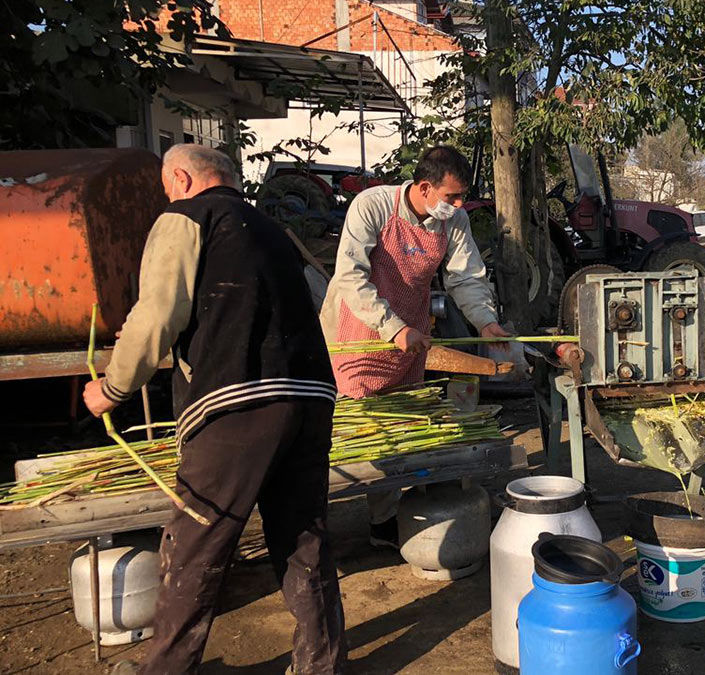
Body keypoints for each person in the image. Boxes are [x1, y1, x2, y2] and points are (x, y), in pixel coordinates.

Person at [83, 144, 347, 674]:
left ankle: (166, 670)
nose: (167, 197)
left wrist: (112, 388)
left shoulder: (184, 217)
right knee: (303, 538)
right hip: (311, 396)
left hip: (237, 405)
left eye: (166, 188)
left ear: (180, 178)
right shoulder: (272, 229)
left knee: (194, 548)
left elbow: (158, 313)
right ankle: (322, 665)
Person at [320, 145, 508, 549]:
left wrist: (486, 321)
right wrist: (392, 328)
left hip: (413, 329)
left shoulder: (453, 221)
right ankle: (379, 520)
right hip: (360, 327)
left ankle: (404, 507)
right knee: (368, 425)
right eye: (452, 197)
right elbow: (351, 278)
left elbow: (466, 277)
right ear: (425, 187)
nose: (459, 205)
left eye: (462, 197)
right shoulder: (372, 206)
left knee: (406, 417)